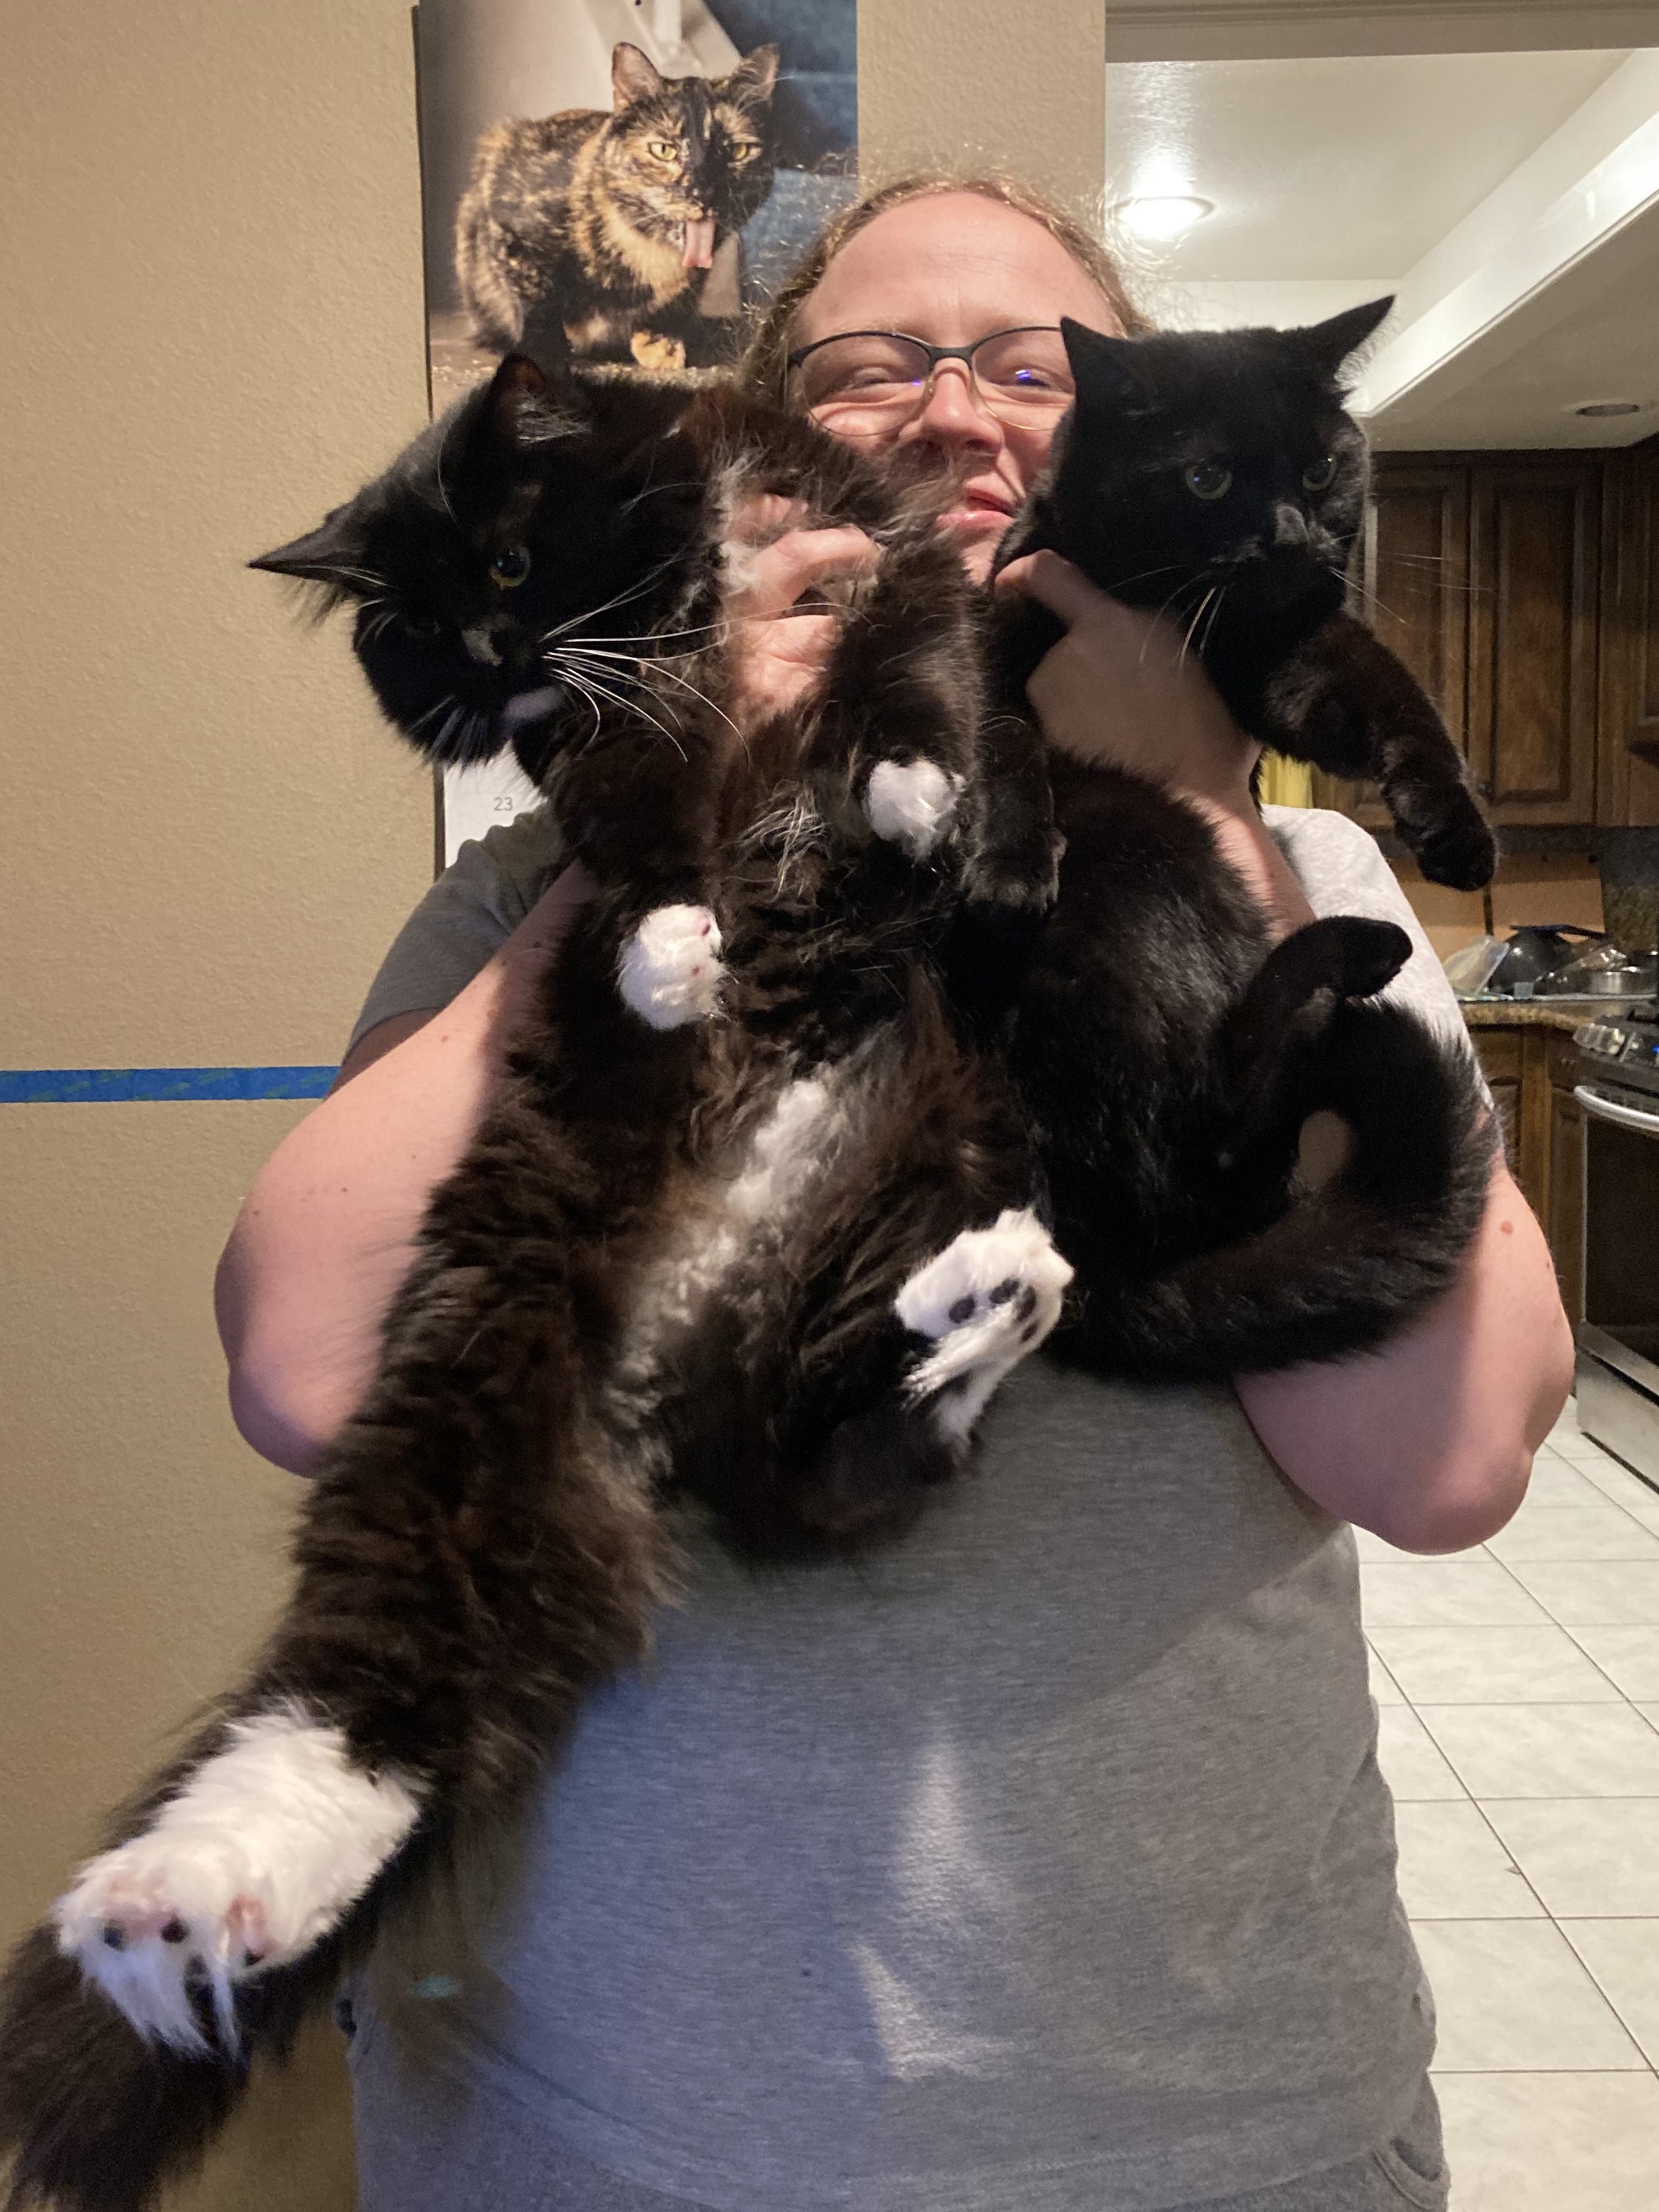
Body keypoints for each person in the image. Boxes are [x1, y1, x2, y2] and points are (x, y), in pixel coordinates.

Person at [216, 175, 1572, 2212]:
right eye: (874, 368)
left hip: (1205, 2120)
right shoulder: (532, 897)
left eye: (1031, 366)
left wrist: (1193, 812)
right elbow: (311, 1371)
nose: (954, 411)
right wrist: (695, 800)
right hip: (597, 2114)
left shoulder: (1311, 887)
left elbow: (1437, 1461)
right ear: (762, 460)